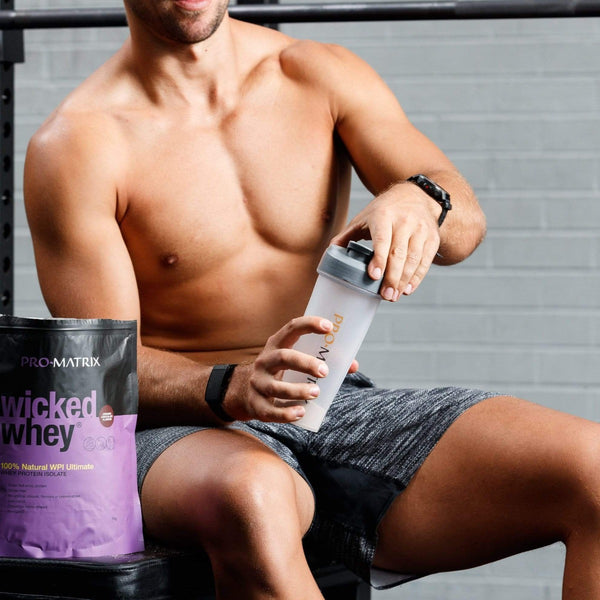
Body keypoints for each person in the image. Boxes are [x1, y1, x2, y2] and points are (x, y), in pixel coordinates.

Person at [23, 1, 600, 598]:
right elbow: (101, 370)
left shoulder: (318, 75)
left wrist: (422, 198)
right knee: (252, 494)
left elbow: (464, 228)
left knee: (593, 469)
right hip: (180, 430)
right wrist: (233, 384)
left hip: (328, 401)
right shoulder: (77, 145)